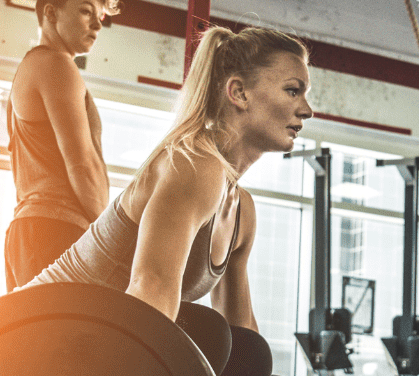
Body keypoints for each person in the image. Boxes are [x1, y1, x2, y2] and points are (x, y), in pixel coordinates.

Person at [27, 25, 312, 336]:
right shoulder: (195, 165)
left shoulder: (241, 210)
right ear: (239, 93)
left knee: (229, 343)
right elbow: (151, 293)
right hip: (32, 331)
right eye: (293, 90)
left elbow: (242, 335)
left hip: (84, 337)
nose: (307, 110)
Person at [4, 0, 118, 290]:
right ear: (51, 14)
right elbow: (82, 163)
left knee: (36, 339)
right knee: (64, 340)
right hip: (55, 228)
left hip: (32, 229)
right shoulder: (56, 64)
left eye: (100, 16)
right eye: (85, 11)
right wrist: (113, 240)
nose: (97, 25)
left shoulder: (32, 68)